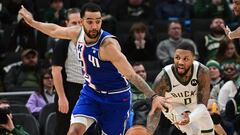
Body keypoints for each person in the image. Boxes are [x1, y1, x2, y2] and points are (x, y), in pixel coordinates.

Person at [19, 2, 166, 135]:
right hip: (91, 93)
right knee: (74, 131)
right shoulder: (77, 33)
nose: (94, 26)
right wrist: (32, 22)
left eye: (98, 21)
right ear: (82, 22)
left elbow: (132, 76)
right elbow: (54, 30)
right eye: (90, 22)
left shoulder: (108, 47)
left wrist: (153, 96)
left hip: (116, 98)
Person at [147, 42, 214, 135]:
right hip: (174, 106)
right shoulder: (163, 78)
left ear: (193, 59)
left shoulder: (202, 72)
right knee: (193, 131)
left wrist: (190, 118)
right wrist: (149, 131)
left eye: (185, 59)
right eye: (177, 58)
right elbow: (153, 107)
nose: (180, 62)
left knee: (208, 130)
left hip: (194, 104)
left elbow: (203, 105)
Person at [51, 8, 87, 135]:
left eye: (79, 22)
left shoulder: (91, 41)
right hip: (68, 91)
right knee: (64, 128)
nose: (77, 26)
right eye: (73, 23)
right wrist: (61, 97)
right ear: (66, 23)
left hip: (87, 90)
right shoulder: (62, 43)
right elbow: (55, 71)